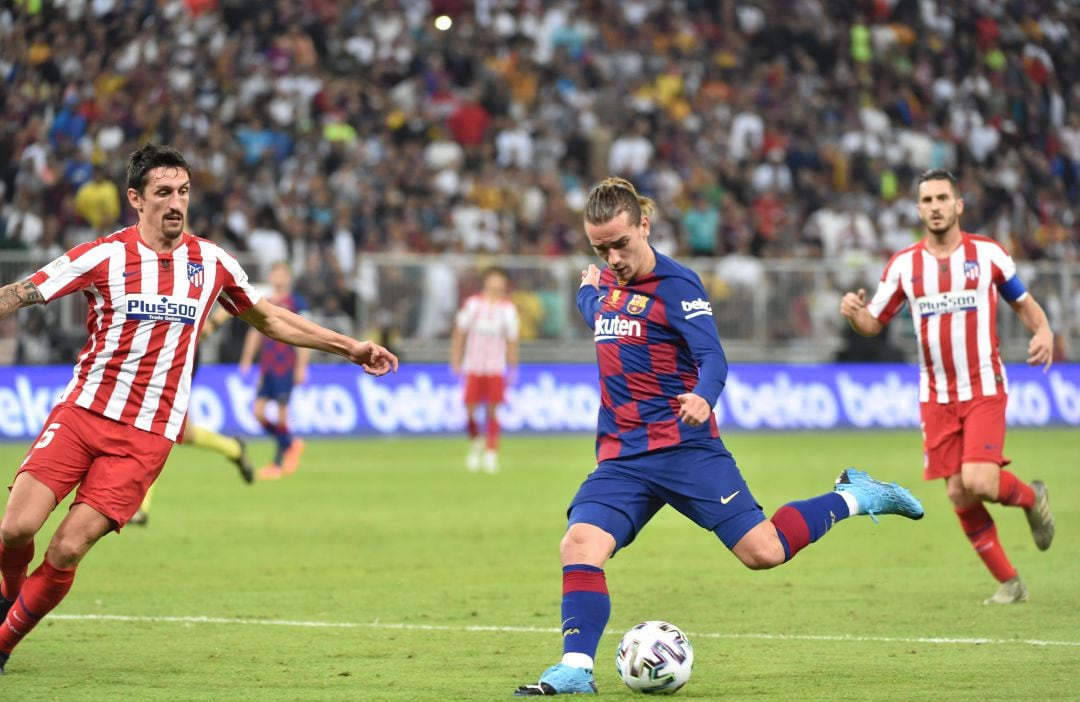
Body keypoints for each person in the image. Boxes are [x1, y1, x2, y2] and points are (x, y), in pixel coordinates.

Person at [514, 177, 924, 697]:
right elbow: (597, 312)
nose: (613, 257)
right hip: (621, 458)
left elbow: (713, 356)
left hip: (687, 448)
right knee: (579, 543)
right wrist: (587, 288)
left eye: (621, 243)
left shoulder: (679, 286)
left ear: (645, 224)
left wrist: (704, 397)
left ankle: (855, 495)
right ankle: (575, 667)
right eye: (601, 249)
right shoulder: (605, 288)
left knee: (764, 552)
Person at [0, 144, 398, 675]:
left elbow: (270, 319)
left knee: (69, 548)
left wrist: (350, 347)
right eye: (163, 192)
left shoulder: (210, 263)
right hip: (81, 414)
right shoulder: (101, 256)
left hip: (147, 436)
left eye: (183, 192)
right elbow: (23, 293)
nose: (175, 203)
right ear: (136, 199)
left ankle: (3, 644)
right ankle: (9, 593)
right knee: (14, 530)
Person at [839, 168, 1055, 606]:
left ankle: (1032, 499)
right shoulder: (904, 265)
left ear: (958, 205)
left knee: (977, 479)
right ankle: (1010, 583)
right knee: (957, 492)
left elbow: (1024, 303)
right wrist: (853, 312)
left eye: (942, 198)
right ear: (918, 209)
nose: (935, 207)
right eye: (927, 200)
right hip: (935, 396)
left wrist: (1044, 330)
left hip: (983, 387)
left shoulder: (989, 255)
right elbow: (872, 321)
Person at [130, 306, 255, 526]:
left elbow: (233, 293)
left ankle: (141, 507)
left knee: (155, 426)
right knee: (181, 431)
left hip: (180, 353)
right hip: (155, 349)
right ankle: (234, 448)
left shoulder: (206, 271)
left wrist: (211, 324)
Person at [238, 261, 310, 480]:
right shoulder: (265, 302)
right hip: (268, 367)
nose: (278, 277)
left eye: (282, 273)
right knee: (258, 412)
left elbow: (306, 334)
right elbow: (255, 333)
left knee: (281, 415)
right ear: (270, 277)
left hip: (285, 365)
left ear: (288, 278)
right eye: (275, 273)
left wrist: (301, 366)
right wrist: (248, 359)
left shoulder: (297, 303)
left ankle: (277, 464)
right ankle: (290, 442)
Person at [450, 266, 519, 473]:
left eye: (500, 280)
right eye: (493, 279)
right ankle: (475, 444)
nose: (497, 284)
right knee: (470, 411)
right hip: (473, 365)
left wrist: (513, 366)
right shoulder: (473, 305)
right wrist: (455, 358)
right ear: (486, 281)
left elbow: (511, 340)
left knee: (493, 411)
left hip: (495, 367)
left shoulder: (508, 310)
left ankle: (491, 452)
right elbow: (460, 333)